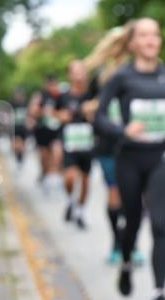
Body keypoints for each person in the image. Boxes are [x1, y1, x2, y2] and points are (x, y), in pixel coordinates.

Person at [95, 18, 165, 300]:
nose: (152, 40)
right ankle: (126, 261)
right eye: (145, 35)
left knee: (160, 224)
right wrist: (124, 131)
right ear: (133, 43)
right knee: (133, 222)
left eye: (156, 34)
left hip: (161, 158)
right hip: (130, 159)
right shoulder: (121, 77)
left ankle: (159, 294)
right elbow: (99, 118)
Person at [81, 26, 145, 267]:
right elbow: (87, 109)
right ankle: (118, 243)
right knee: (116, 195)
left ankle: (132, 243)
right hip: (109, 143)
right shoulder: (100, 75)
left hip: (138, 143)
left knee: (138, 199)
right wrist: (99, 105)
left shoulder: (141, 70)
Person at [56, 60, 94, 229]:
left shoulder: (92, 94)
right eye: (75, 71)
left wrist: (91, 111)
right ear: (69, 75)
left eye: (82, 71)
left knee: (85, 179)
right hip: (70, 142)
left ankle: (79, 210)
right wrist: (61, 115)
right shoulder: (63, 96)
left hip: (88, 142)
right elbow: (54, 113)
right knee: (70, 177)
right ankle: (71, 200)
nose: (79, 75)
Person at [30, 74, 63, 190]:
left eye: (54, 83)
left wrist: (56, 113)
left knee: (57, 153)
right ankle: (45, 174)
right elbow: (33, 111)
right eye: (50, 84)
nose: (52, 86)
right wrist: (43, 110)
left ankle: (53, 178)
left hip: (56, 130)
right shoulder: (40, 95)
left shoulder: (60, 95)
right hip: (42, 130)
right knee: (44, 156)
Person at [10, 86, 31, 168]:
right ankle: (18, 158)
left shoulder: (26, 103)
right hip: (14, 127)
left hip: (23, 128)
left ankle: (21, 158)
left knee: (21, 145)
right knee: (15, 145)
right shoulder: (12, 104)